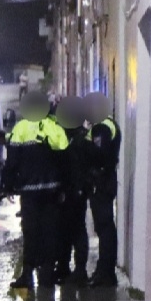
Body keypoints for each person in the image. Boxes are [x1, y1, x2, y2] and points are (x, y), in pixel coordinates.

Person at [1, 91, 69, 289]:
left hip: (29, 192)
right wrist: (64, 187)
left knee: (30, 232)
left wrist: (7, 186)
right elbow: (65, 160)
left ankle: (28, 274)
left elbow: (12, 161)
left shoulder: (20, 129)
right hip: (51, 192)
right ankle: (47, 275)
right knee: (49, 232)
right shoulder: (54, 127)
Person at [53, 96, 92, 286]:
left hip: (75, 191)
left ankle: (78, 270)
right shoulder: (73, 136)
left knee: (75, 230)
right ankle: (65, 267)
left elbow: (75, 167)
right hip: (72, 190)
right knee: (66, 229)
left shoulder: (78, 139)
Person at [84, 92, 121, 287]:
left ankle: (105, 272)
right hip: (105, 179)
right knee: (104, 227)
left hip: (101, 181)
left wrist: (84, 146)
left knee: (104, 227)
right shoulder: (109, 124)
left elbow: (100, 155)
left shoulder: (101, 128)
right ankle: (105, 270)